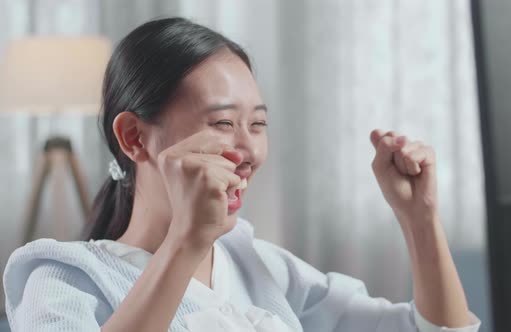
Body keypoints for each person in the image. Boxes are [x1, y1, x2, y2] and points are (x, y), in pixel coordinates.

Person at [3, 17, 481, 332]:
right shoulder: (62, 277)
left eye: (258, 124)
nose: (248, 150)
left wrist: (420, 219)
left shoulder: (258, 265)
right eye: (223, 124)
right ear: (133, 137)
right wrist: (184, 242)